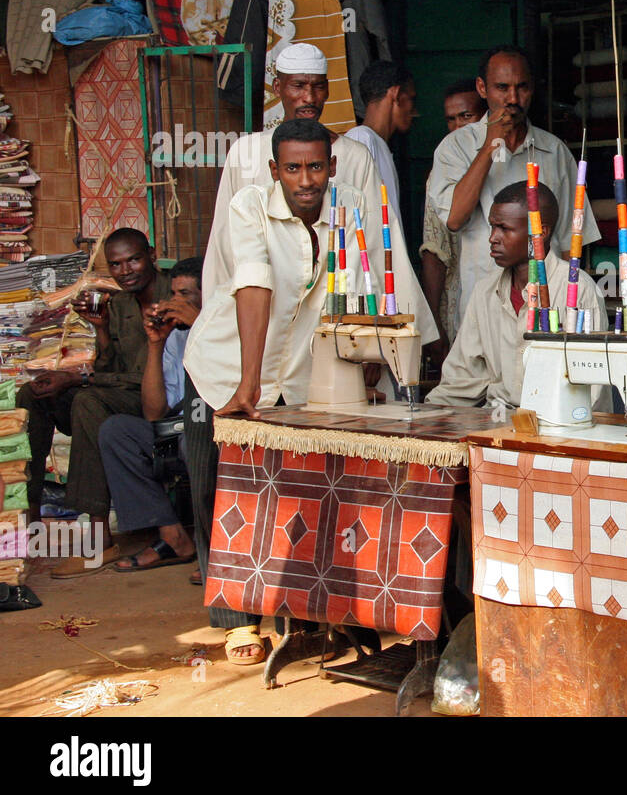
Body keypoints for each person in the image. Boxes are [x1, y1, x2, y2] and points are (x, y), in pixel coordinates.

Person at [184, 118, 383, 665]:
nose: (305, 179)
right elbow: (255, 282)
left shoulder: (350, 211)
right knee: (215, 489)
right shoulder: (249, 206)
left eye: (315, 166)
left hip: (296, 379)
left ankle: (300, 617)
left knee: (290, 496)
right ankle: (236, 622)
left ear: (332, 166)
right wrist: (247, 385)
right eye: (292, 167)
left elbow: (357, 285)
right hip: (224, 370)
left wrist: (366, 360)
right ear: (275, 170)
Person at [205, 41, 437, 349]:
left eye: (318, 88)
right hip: (265, 314)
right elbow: (225, 244)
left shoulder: (354, 156)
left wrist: (379, 337)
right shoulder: (245, 153)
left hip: (335, 317)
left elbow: (377, 247)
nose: (309, 98)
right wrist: (216, 313)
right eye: (298, 86)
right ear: (278, 87)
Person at [20, 228, 170, 578]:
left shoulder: (173, 297)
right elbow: (110, 368)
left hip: (157, 401)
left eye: (133, 259)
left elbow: (143, 377)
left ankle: (99, 539)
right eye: (116, 265)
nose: (125, 270)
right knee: (33, 395)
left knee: (87, 400)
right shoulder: (118, 303)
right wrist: (101, 331)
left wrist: (78, 378)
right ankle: (27, 521)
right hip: (117, 393)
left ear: (151, 253)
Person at [428, 45, 599, 322]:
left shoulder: (554, 151)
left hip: (548, 305)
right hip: (482, 304)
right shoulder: (456, 147)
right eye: (502, 87)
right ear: (482, 88)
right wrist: (489, 145)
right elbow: (455, 218)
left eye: (522, 88)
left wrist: (571, 302)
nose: (513, 98)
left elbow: (570, 241)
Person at [427, 181, 606, 408]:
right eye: (492, 227)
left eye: (504, 228)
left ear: (539, 233)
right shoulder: (485, 292)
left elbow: (592, 390)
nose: (493, 238)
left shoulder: (577, 289)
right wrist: (425, 415)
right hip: (498, 423)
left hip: (559, 427)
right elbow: (462, 380)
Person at [103, 256, 203, 572]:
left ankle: (215, 547)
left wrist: (201, 324)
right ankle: (172, 536)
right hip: (181, 425)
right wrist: (156, 345)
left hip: (217, 428)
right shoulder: (174, 336)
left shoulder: (227, 327)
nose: (176, 303)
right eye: (174, 295)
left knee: (194, 443)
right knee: (117, 432)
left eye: (186, 295)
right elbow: (154, 412)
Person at [420, 80, 487, 370]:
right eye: (451, 119)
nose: (458, 126)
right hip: (460, 304)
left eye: (466, 116)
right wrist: (434, 323)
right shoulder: (443, 169)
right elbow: (434, 251)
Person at [345, 60, 417, 205]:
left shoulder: (378, 144)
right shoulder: (361, 140)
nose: (414, 111)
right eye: (411, 98)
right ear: (396, 94)